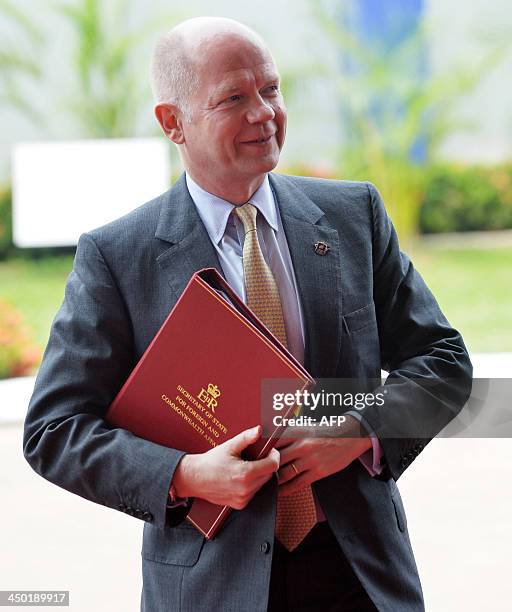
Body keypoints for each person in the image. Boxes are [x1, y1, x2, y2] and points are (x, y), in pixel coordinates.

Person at [23, 16, 472, 612]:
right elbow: (54, 430)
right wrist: (184, 475)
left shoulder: (352, 215)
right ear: (172, 122)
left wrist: (362, 425)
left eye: (271, 89)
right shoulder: (117, 256)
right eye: (234, 97)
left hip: (359, 572)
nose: (265, 112)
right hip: (211, 585)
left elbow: (443, 361)